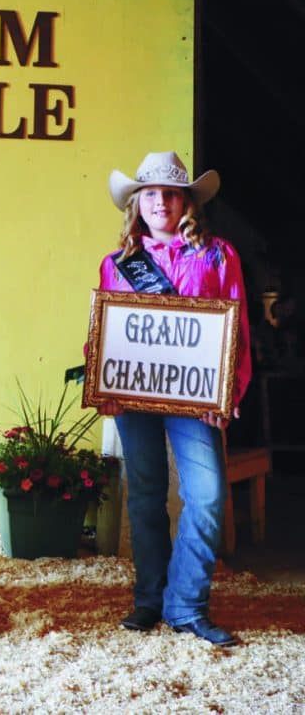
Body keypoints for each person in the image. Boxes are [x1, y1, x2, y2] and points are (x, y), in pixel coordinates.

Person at [96, 151, 251, 647]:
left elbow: (238, 330)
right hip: (135, 395)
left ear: (186, 201)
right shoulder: (117, 263)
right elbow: (104, 331)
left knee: (205, 495)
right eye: (150, 193)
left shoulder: (219, 256)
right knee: (144, 495)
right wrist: (106, 384)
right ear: (136, 202)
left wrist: (227, 389)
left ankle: (186, 606)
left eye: (170, 193)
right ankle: (149, 599)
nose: (160, 201)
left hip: (197, 398)